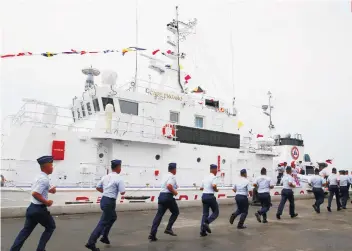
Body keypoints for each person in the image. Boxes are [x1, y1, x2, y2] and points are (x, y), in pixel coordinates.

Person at [10, 156, 56, 251]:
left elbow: (38, 189)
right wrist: (47, 202)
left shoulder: (39, 176)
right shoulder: (44, 179)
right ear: (46, 167)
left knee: (25, 231)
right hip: (39, 210)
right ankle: (40, 249)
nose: (52, 167)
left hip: (31, 208)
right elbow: (35, 193)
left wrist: (50, 190)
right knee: (51, 227)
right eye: (51, 165)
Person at [86, 159, 126, 251]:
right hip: (110, 202)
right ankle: (91, 243)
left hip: (104, 200)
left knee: (113, 217)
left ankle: (104, 236)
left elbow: (98, 187)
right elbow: (122, 192)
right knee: (103, 222)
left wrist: (106, 192)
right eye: (120, 167)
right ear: (118, 167)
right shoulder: (119, 178)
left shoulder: (105, 177)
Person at [148, 163, 179, 241]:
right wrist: (175, 192)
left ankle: (152, 234)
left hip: (161, 196)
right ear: (174, 169)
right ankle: (168, 228)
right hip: (168, 197)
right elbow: (169, 186)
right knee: (175, 212)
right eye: (175, 169)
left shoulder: (165, 176)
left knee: (159, 216)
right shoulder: (172, 176)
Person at [199, 164, 220, 237]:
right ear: (213, 170)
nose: (216, 171)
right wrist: (216, 190)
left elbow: (201, 188)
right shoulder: (214, 177)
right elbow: (214, 186)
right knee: (216, 212)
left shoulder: (205, 177)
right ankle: (207, 222)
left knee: (205, 214)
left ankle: (202, 231)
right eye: (216, 169)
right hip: (210, 196)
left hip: (204, 196)